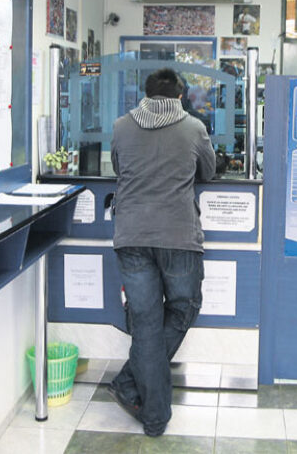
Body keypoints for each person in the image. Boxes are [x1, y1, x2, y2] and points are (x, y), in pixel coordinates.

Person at [108, 68, 216, 437]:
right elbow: (208, 172)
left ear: (145, 94)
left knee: (146, 322)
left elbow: (120, 168)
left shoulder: (121, 126)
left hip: (131, 235)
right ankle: (130, 385)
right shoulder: (194, 128)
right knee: (183, 307)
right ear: (180, 96)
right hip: (178, 236)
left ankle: (148, 409)